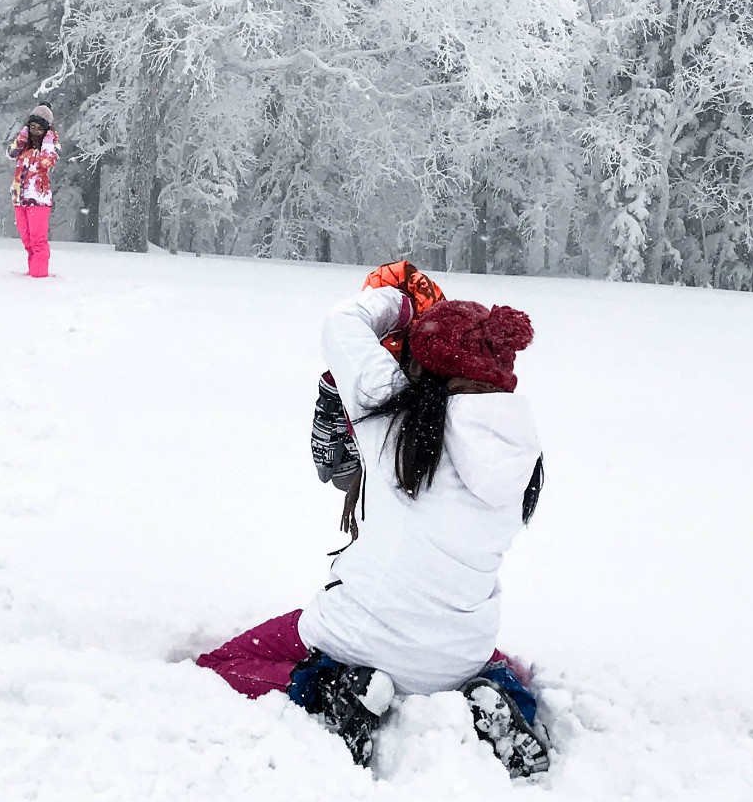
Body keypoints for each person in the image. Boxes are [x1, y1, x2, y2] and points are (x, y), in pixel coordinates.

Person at [198, 281, 549, 776]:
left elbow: (342, 325)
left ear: (425, 367)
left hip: (357, 635)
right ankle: (495, 698)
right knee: (500, 662)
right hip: (458, 654)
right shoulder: (524, 449)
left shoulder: (396, 417)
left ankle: (332, 691)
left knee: (223, 663)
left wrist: (400, 301)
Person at [6, 105, 60, 277]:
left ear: (46, 131)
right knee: (28, 242)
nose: (35, 132)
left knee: (38, 242)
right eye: (32, 127)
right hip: (19, 200)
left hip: (38, 201)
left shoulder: (50, 148)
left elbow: (46, 162)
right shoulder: (24, 148)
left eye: (40, 129)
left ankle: (39, 276)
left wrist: (49, 139)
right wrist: (23, 135)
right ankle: (33, 273)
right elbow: (10, 152)